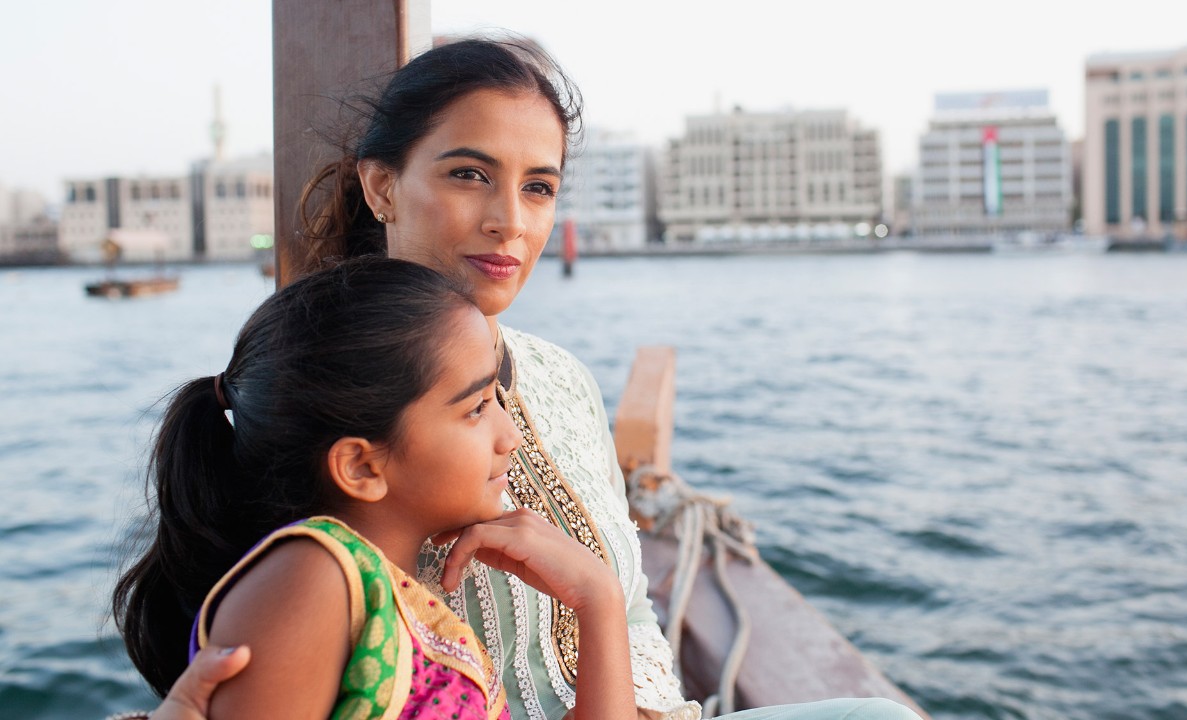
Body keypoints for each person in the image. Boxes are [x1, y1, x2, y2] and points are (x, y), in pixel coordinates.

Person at [143, 36, 922, 720]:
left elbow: (634, 615)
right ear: (381, 186)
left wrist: (614, 630)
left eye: (539, 187)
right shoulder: (329, 388)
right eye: (470, 174)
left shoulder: (561, 377)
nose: (510, 221)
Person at [113, 258, 637, 719]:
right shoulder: (315, 578)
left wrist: (598, 600)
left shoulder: (379, 590)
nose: (511, 435)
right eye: (477, 407)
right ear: (362, 467)